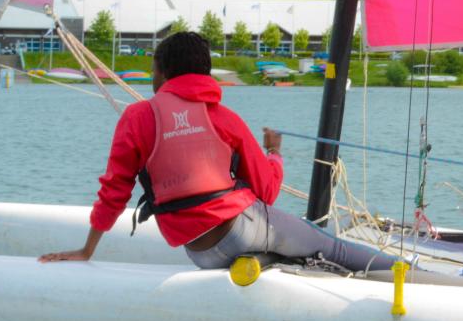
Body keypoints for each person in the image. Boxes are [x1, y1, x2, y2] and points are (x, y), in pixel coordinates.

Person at [39, 31, 388, 272]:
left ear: (163, 73)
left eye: (153, 71)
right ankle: (406, 271)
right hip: (239, 231)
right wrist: (274, 154)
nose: (152, 80)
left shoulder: (136, 118)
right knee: (333, 246)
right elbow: (268, 192)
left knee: (286, 244)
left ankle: (266, 262)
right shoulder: (224, 118)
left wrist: (87, 250)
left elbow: (114, 192)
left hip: (200, 252)